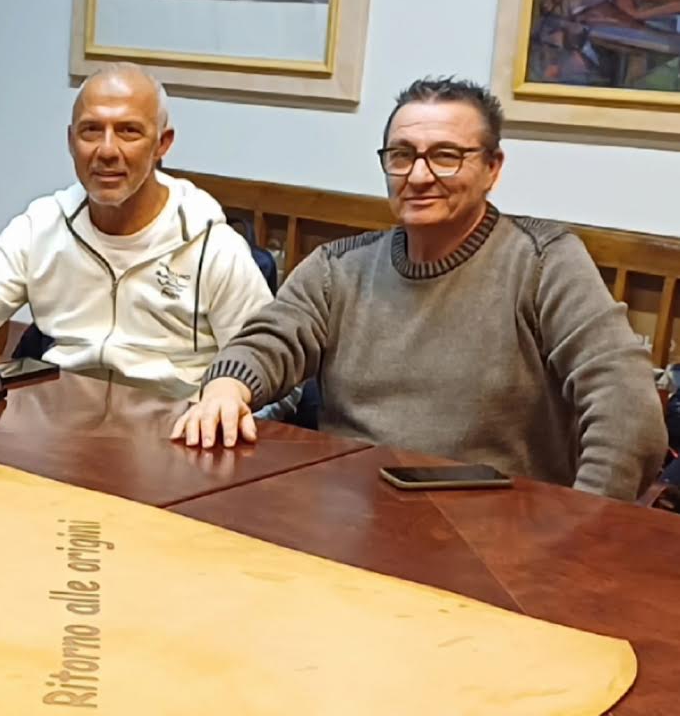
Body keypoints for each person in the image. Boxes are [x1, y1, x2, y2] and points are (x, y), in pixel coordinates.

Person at [172, 77, 666, 501]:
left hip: (500, 533)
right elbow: (268, 342)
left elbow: (629, 413)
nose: (419, 176)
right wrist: (226, 386)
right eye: (402, 155)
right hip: (352, 513)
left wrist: (584, 520)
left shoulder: (544, 261)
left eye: (446, 156)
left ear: (492, 168)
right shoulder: (337, 267)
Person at [0, 63, 271, 396]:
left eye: (128, 131)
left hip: (171, 431)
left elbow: (267, 363)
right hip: (61, 423)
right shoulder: (44, 225)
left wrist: (223, 406)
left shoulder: (211, 244)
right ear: (71, 141)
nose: (107, 150)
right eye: (91, 131)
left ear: (162, 144)